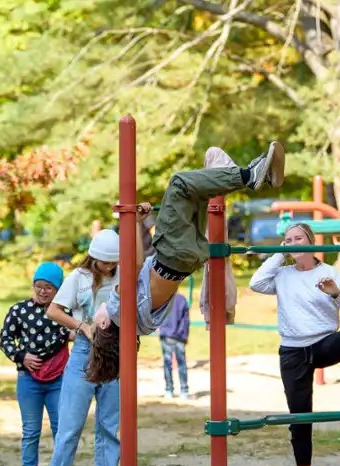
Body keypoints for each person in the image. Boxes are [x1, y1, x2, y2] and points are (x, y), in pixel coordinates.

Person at [85, 142, 287, 383]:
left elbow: (137, 272)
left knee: (198, 189)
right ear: (105, 324)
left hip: (187, 260)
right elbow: (134, 266)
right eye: (95, 325)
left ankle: (257, 176)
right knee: (180, 183)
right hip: (170, 253)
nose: (94, 319)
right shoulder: (118, 310)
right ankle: (251, 176)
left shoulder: (143, 326)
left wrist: (140, 221)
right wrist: (136, 222)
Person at [248, 221, 340, 466]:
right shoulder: (282, 274)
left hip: (322, 344)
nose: (292, 243)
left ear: (311, 242)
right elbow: (255, 283)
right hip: (293, 351)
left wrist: (335, 292)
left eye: (298, 238)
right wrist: (279, 254)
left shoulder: (327, 272)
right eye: (287, 239)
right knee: (299, 418)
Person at [42, 230, 121, 466]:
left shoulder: (123, 277)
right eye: (104, 261)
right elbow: (53, 310)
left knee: (110, 423)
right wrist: (82, 327)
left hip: (114, 352)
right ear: (94, 257)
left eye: (114, 261)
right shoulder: (79, 278)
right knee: (71, 422)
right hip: (84, 353)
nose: (110, 266)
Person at [0, 262, 72, 466]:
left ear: (58, 289)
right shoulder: (19, 310)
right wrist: (22, 356)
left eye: (49, 287)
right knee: (31, 430)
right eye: (38, 286)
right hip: (28, 380)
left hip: (58, 379)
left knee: (63, 429)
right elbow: (5, 339)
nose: (42, 291)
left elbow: (73, 333)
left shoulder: (65, 312)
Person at [157, 292, 190, 400]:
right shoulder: (181, 299)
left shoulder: (162, 299)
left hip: (166, 335)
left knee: (167, 364)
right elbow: (186, 320)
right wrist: (184, 335)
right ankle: (184, 390)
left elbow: (157, 316)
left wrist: (160, 329)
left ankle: (169, 390)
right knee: (182, 364)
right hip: (179, 336)